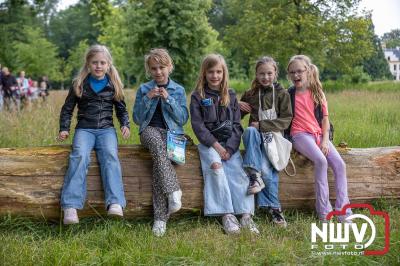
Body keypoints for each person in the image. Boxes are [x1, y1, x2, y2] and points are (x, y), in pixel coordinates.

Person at [58, 44, 130, 225]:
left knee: (110, 157)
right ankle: (71, 206)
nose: (98, 66)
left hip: (106, 130)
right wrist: (64, 128)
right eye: (95, 62)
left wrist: (125, 124)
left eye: (102, 63)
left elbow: (121, 110)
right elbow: (67, 109)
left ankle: (115, 203)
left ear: (108, 65)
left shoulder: (113, 85)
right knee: (79, 156)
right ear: (88, 64)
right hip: (85, 129)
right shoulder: (79, 84)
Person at [190, 54, 259, 235]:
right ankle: (226, 214)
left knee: (237, 172)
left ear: (224, 73)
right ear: (204, 74)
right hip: (209, 144)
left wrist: (229, 148)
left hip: (229, 144)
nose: (215, 76)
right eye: (211, 72)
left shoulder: (231, 95)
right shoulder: (198, 96)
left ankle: (245, 215)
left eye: (219, 71)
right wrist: (218, 148)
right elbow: (198, 126)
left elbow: (237, 125)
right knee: (216, 168)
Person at [286, 55, 351, 222]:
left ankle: (344, 212)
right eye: (292, 72)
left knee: (340, 164)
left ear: (307, 71)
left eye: (299, 71)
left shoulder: (317, 92)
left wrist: (324, 140)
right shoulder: (288, 94)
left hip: (320, 135)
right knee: (321, 161)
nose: (296, 75)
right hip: (299, 135)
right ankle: (324, 211)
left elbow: (325, 120)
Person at [133, 48, 188, 237]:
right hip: (149, 131)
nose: (158, 72)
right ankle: (174, 190)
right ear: (149, 70)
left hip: (172, 135)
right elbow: (137, 119)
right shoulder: (143, 89)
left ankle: (160, 219)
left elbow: (182, 119)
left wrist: (169, 99)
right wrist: (148, 99)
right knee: (156, 144)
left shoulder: (178, 90)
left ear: (169, 67)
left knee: (159, 165)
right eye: (154, 68)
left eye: (162, 67)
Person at [239, 56, 292, 227]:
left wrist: (262, 125)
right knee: (250, 131)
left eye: (269, 73)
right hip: (255, 141)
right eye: (262, 74)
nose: (265, 77)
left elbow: (286, 120)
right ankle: (254, 175)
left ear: (276, 73)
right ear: (256, 74)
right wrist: (237, 106)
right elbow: (237, 117)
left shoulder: (282, 94)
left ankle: (274, 208)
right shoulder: (251, 94)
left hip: (273, 139)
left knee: (267, 171)